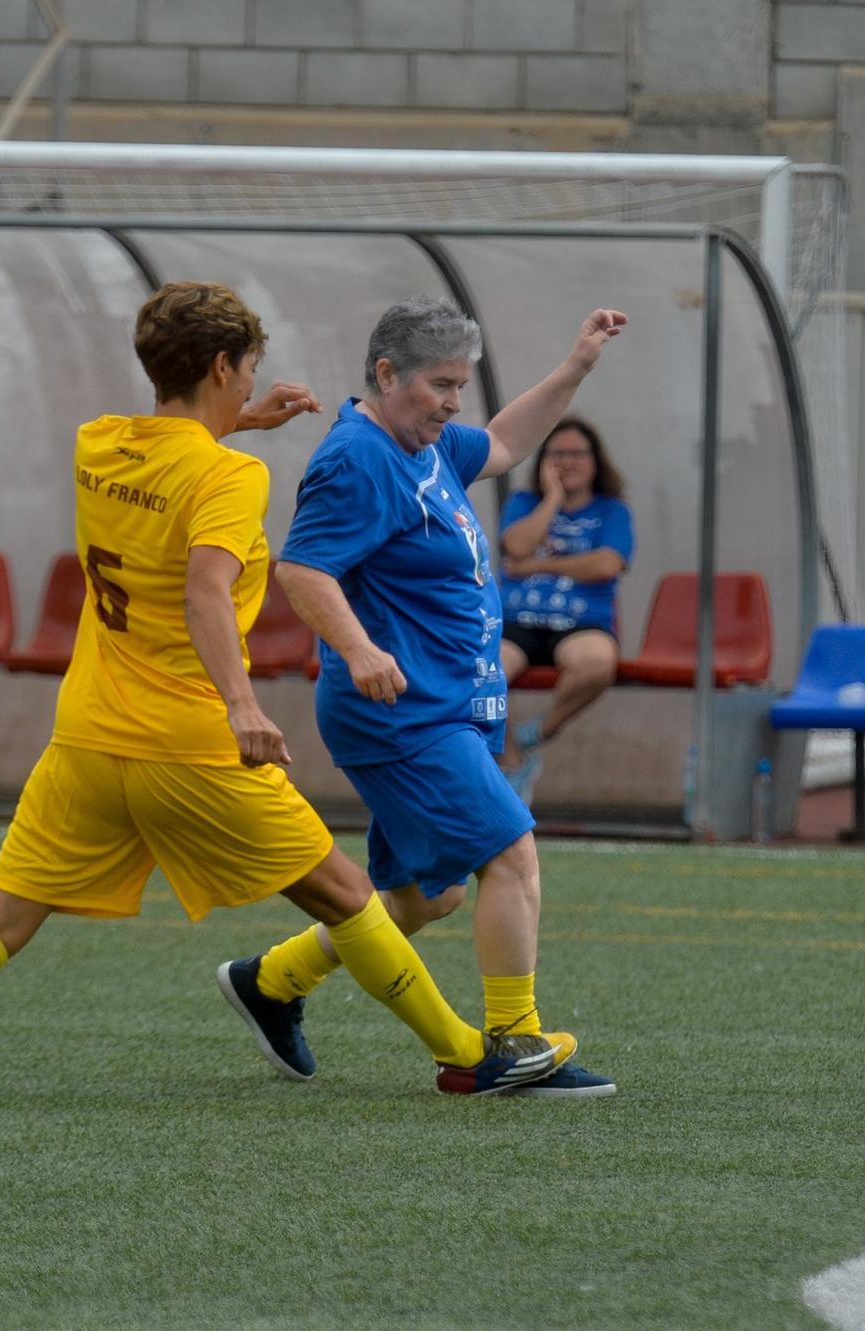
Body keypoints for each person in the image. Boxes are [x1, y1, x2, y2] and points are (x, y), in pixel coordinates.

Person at [0, 282, 570, 1097]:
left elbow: (164, 460)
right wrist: (243, 705)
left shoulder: (97, 443)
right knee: (347, 896)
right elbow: (204, 592)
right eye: (249, 370)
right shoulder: (231, 477)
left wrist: (241, 421)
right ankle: (468, 1051)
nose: (254, 386)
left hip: (88, 734)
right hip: (188, 742)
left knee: (2, 911)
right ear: (222, 366)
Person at [219, 297, 626, 1100]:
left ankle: (271, 981)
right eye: (440, 384)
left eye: (460, 384)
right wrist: (360, 647)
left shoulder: (426, 444)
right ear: (385, 375)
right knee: (511, 854)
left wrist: (576, 366)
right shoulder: (358, 457)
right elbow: (302, 569)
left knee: (425, 895)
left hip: (443, 706)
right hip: (402, 711)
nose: (453, 402)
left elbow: (507, 441)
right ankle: (514, 1041)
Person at [495, 417, 633, 803]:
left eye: (577, 454)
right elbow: (517, 546)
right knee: (485, 671)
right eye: (557, 454)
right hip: (517, 620)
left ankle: (538, 733)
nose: (567, 462)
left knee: (596, 663)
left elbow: (607, 564)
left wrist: (537, 567)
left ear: (595, 461)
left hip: (581, 622)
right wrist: (553, 499)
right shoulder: (524, 504)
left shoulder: (612, 511)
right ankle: (511, 763)